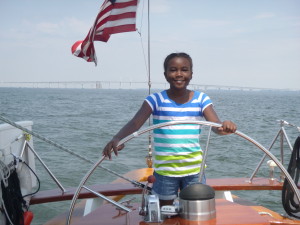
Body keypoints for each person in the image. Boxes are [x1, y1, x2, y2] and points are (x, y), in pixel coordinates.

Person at [102, 52, 237, 206]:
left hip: (194, 171)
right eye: (173, 70)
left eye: (184, 69)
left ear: (191, 74)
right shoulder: (155, 100)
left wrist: (225, 126)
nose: (179, 74)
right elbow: (135, 123)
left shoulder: (201, 99)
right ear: (165, 74)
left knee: (195, 211)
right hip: (165, 172)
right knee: (164, 212)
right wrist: (118, 138)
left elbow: (216, 126)